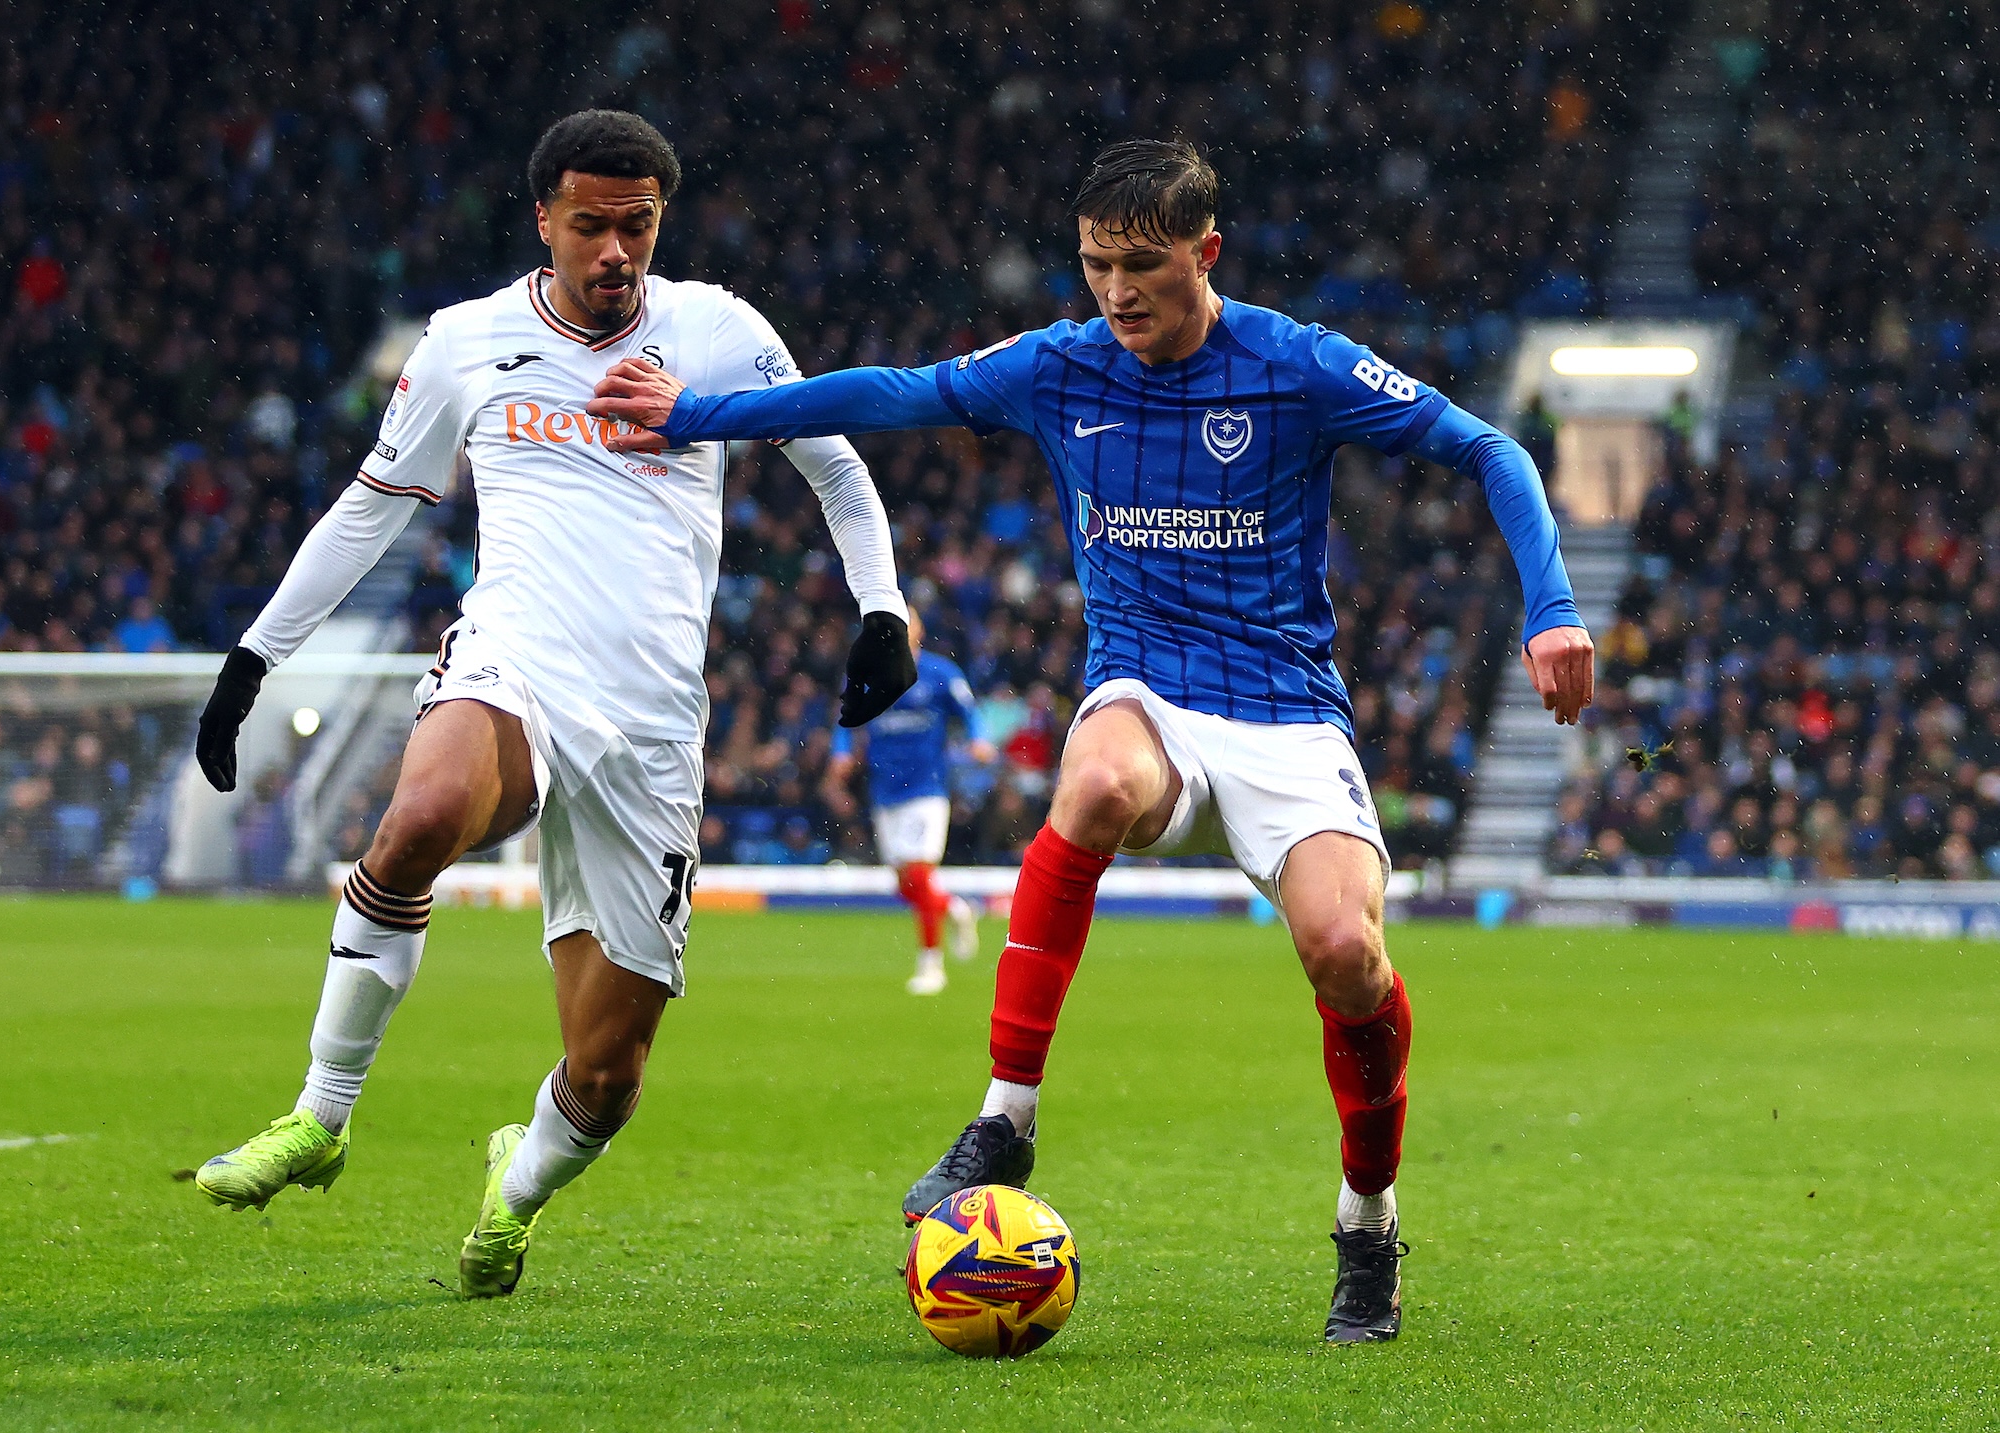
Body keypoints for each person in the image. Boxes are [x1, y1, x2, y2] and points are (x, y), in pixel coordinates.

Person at [590, 139, 1594, 1342]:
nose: (1114, 291)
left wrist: (1548, 606)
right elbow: (891, 393)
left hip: (1284, 710)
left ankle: (1366, 1225)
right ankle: (1004, 1117)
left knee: (1346, 955)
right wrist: (695, 414)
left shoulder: (1294, 365)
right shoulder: (1057, 367)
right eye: (1094, 264)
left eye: (1140, 264)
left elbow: (1491, 447)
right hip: (1145, 689)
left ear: (1204, 254)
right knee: (1098, 778)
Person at [186, 111, 913, 1299]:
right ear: (544, 219)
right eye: (591, 225)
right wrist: (253, 659)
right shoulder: (467, 342)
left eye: (637, 225)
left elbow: (833, 464)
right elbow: (374, 505)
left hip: (653, 725)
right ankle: (320, 1113)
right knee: (417, 819)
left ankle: (512, 1186)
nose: (615, 249)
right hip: (514, 661)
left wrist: (881, 606)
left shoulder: (719, 330)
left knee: (607, 1072)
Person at [823, 604, 996, 994]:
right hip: (885, 789)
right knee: (905, 886)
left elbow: (969, 711)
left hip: (927, 788)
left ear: (917, 629)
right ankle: (954, 907)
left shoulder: (938, 674)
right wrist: (841, 751)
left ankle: (931, 966)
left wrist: (979, 738)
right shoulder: (865, 673)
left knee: (919, 875)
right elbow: (846, 720)